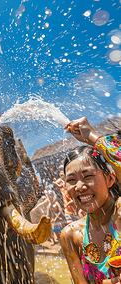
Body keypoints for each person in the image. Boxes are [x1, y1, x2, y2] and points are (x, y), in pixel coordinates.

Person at [60, 117, 121, 284]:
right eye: (71, 180)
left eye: (88, 177)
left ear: (110, 179)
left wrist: (93, 137)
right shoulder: (71, 235)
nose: (79, 186)